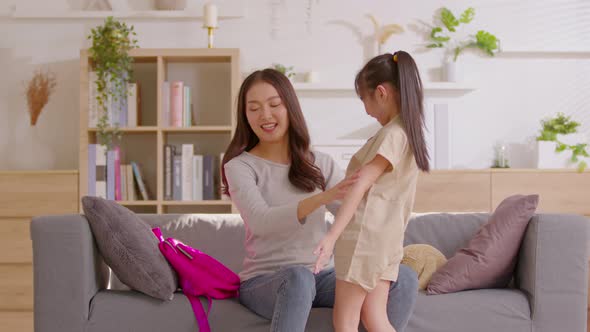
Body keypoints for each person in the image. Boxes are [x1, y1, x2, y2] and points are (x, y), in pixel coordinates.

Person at [221, 67, 418, 332]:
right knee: (298, 278)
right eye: (253, 108)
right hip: (267, 280)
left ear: (289, 107)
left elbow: (356, 213)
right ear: (244, 115)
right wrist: (321, 198)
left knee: (401, 276)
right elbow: (261, 222)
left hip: (322, 276)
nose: (265, 115)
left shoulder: (319, 163)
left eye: (274, 105)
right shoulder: (240, 167)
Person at [312, 51, 430, 332]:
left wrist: (332, 235)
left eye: (364, 99)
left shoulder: (391, 135)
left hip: (364, 239)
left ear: (381, 93)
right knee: (375, 318)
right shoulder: (407, 133)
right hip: (387, 242)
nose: (366, 109)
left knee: (345, 320)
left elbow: (361, 184)